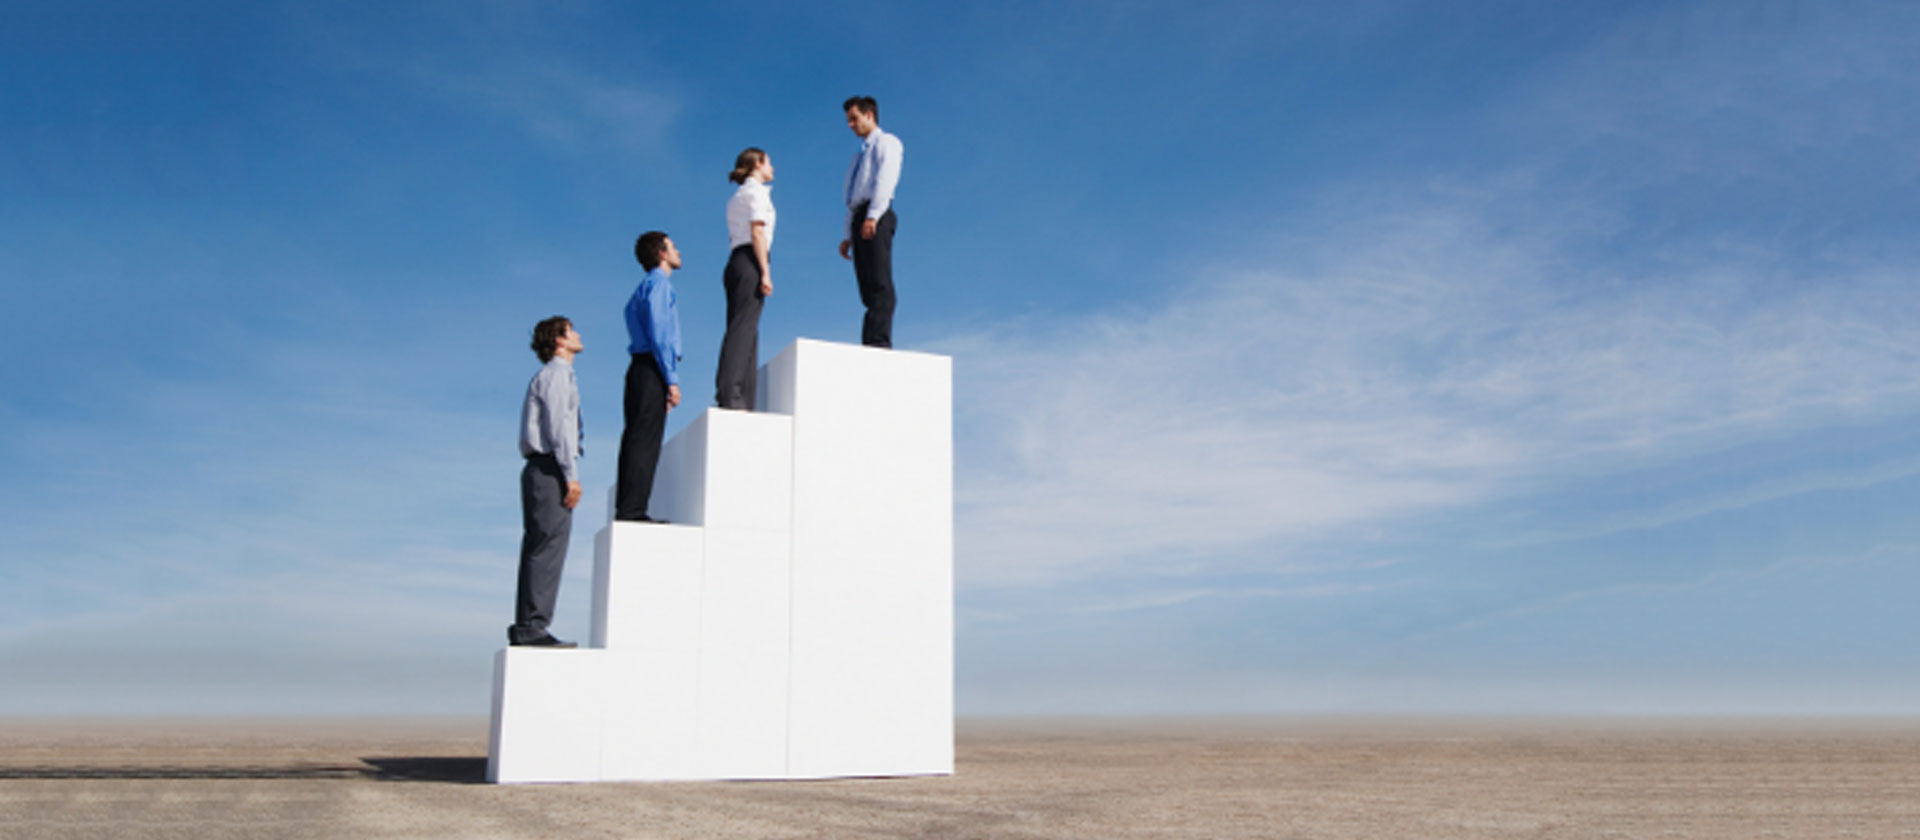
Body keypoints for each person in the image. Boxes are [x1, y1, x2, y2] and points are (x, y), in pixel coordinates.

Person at [511, 316, 584, 648]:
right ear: (559, 340)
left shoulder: (556, 375)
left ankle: (530, 624)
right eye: (572, 330)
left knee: (540, 546)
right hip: (550, 467)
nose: (578, 334)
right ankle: (533, 626)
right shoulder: (556, 376)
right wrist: (571, 476)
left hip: (542, 468)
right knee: (547, 547)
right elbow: (559, 430)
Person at [615, 231, 683, 523]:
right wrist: (671, 378)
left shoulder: (640, 290)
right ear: (661, 254)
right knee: (644, 442)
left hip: (639, 368)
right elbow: (660, 333)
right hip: (652, 367)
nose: (678, 251)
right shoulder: (659, 286)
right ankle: (633, 511)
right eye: (673, 246)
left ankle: (629, 507)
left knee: (635, 438)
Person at [838, 95, 903, 348]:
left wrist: (873, 215)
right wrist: (847, 234)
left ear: (869, 115)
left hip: (876, 213)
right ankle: (869, 342)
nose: (851, 125)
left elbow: (885, 179)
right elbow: (852, 197)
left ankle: (878, 343)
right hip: (858, 217)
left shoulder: (887, 143)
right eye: (848, 121)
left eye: (854, 119)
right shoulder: (858, 157)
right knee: (866, 287)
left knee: (880, 282)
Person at [717, 147, 776, 410]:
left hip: (735, 261)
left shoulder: (736, 197)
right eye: (769, 163)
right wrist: (765, 271)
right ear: (758, 164)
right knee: (743, 329)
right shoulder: (756, 193)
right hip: (751, 259)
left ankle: (743, 398)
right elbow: (758, 232)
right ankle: (731, 395)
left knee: (745, 328)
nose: (772, 168)